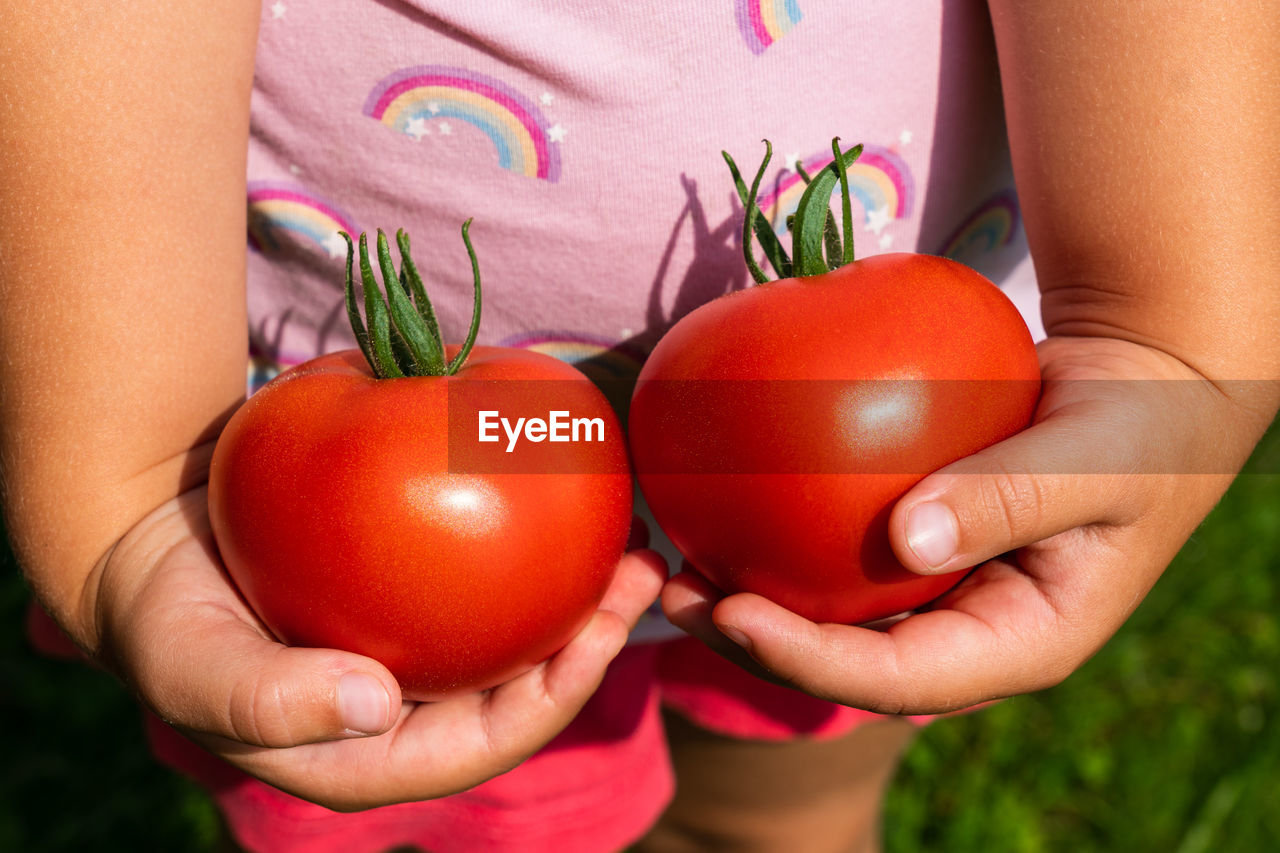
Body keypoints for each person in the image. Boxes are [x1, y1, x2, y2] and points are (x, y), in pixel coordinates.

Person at [2, 1, 1276, 851]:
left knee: (790, 798)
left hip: (868, 508)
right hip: (390, 573)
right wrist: (121, 498)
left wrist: (1173, 334)